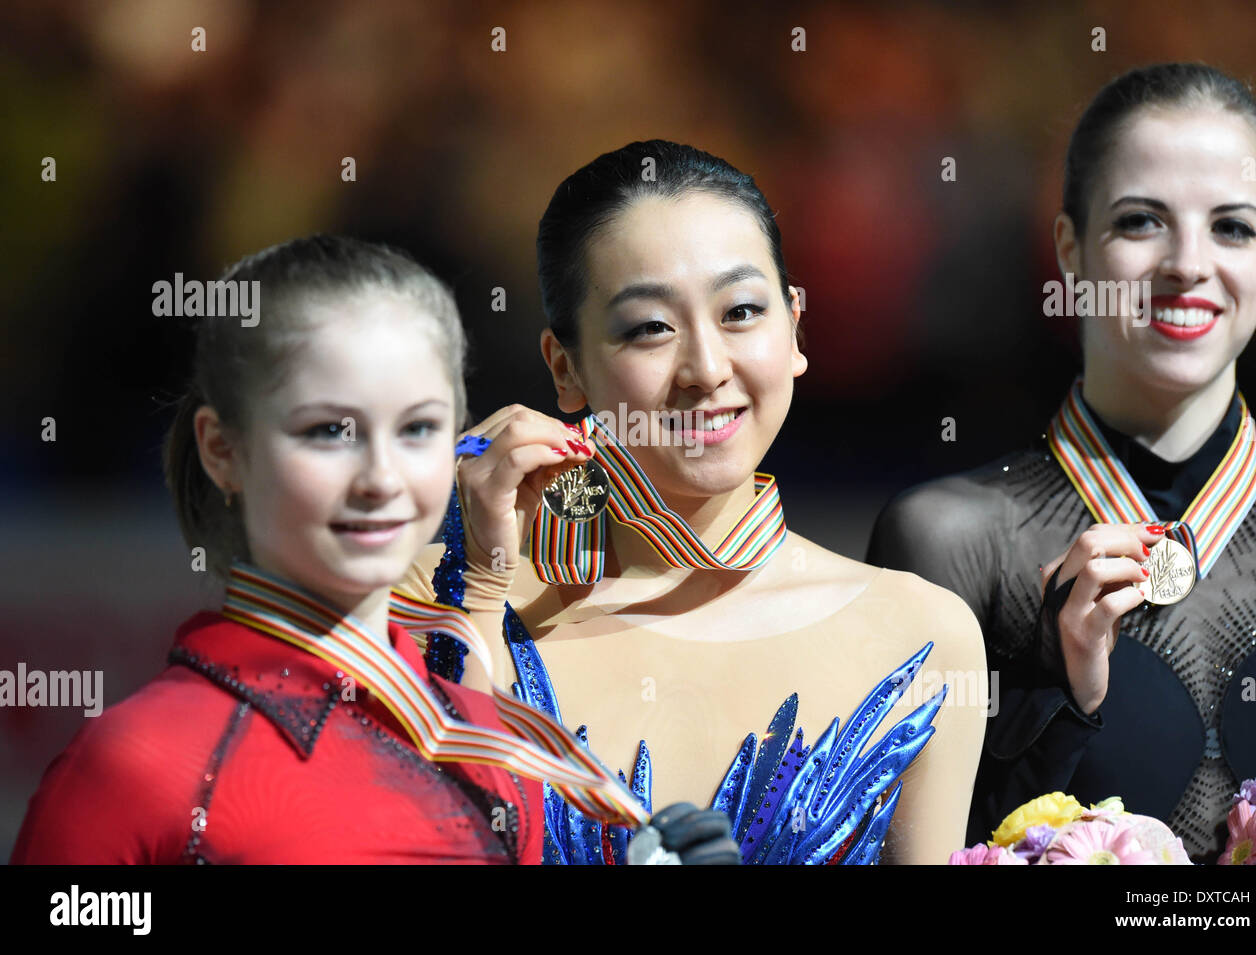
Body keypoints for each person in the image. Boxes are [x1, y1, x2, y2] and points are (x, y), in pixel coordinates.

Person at [12, 235, 735, 865]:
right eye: (329, 431)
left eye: (418, 428)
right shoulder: (136, 766)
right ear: (222, 449)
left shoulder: (492, 744)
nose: (381, 478)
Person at [402, 141, 987, 865]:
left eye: (741, 311)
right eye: (650, 327)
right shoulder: (432, 599)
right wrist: (480, 586)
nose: (707, 369)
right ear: (565, 366)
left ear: (796, 325)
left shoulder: (922, 634)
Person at [867, 63, 1256, 860]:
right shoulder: (947, 538)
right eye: (1141, 221)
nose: (1188, 264)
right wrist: (1052, 700)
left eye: (1231, 227)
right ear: (1070, 247)